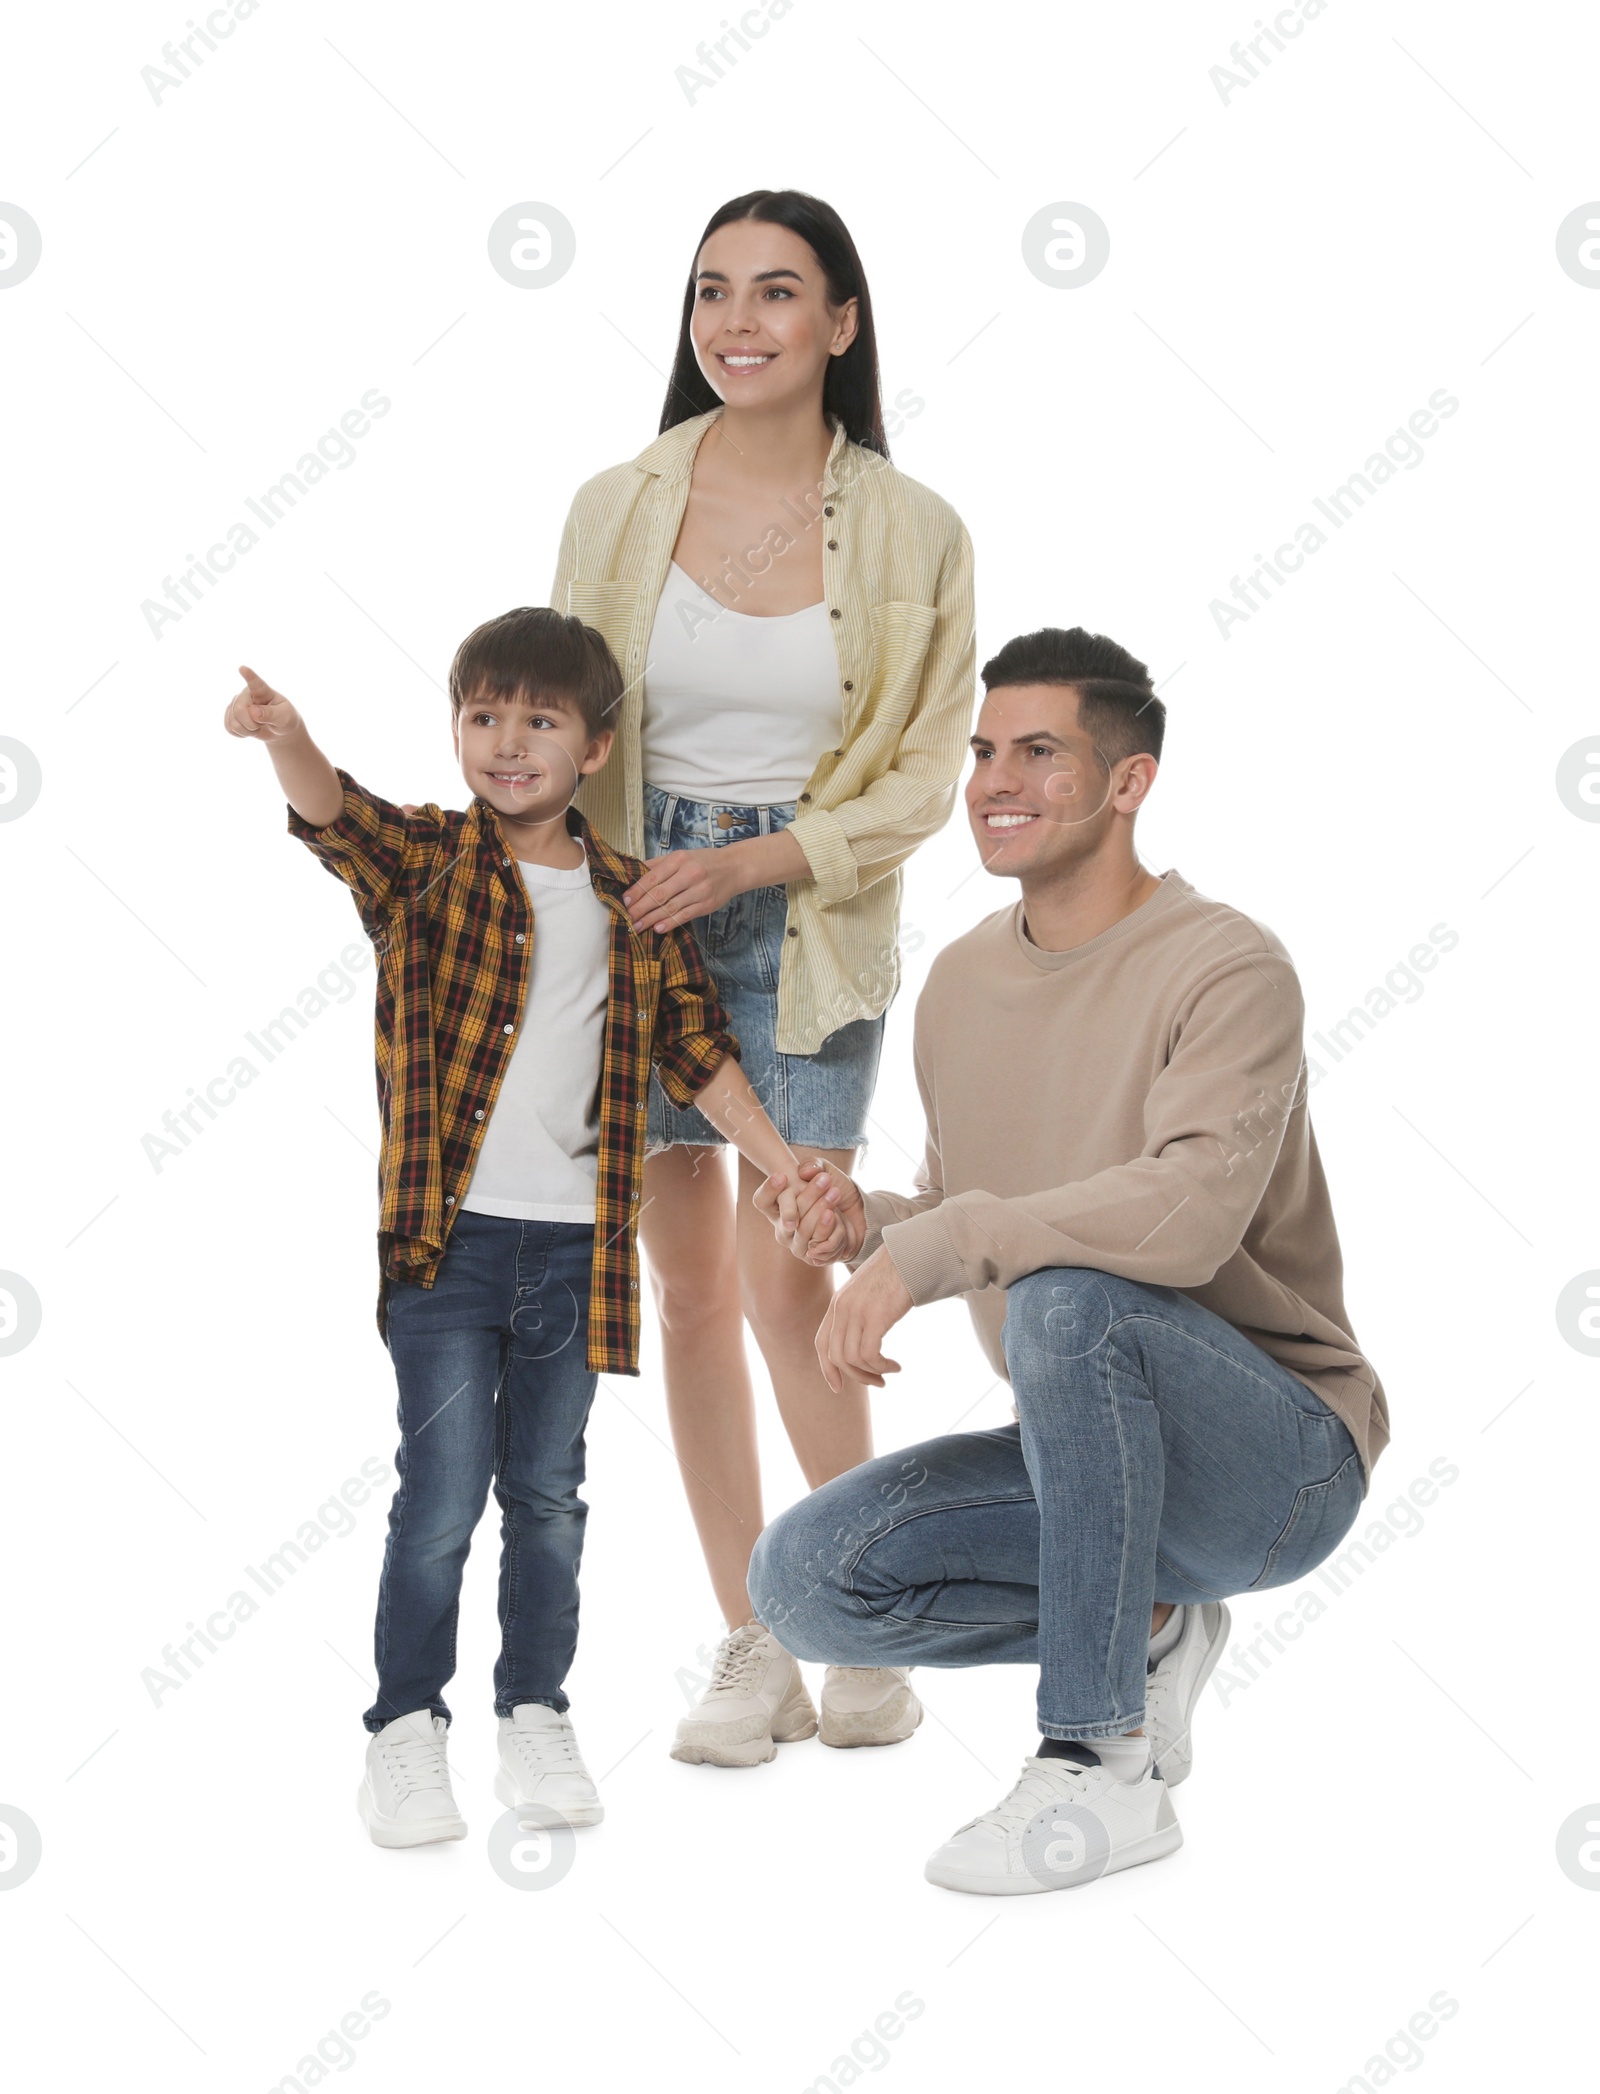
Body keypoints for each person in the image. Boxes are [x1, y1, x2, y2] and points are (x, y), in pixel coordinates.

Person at [749, 625, 1389, 1893]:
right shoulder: (958, 982)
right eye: (985, 751)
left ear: (1127, 782)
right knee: (806, 1581)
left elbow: (1184, 1216)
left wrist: (935, 1244)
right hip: (1092, 1443)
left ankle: (1103, 1763)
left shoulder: (1227, 963)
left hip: (1277, 1458)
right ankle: (1148, 1620)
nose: (995, 781)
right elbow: (967, 1196)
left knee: (1068, 1301)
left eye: (1039, 753)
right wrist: (864, 1221)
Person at [222, 607, 810, 1847]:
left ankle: (534, 1712)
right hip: (448, 1247)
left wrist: (779, 1166)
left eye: (538, 719)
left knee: (549, 1494)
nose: (506, 741)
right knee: (441, 1493)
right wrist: (290, 737)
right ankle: (405, 1728)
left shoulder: (633, 901)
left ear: (593, 748)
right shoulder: (429, 862)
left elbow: (696, 1052)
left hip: (574, 1253)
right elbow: (338, 816)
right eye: (482, 715)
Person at [549, 188, 975, 1767]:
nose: (738, 321)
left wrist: (750, 861)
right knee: (690, 1281)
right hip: (635, 917)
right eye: (713, 291)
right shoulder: (614, 504)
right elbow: (568, 725)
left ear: (841, 324)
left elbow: (923, 773)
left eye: (777, 293)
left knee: (796, 1267)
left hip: (807, 922)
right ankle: (754, 1634)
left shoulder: (917, 528)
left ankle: (854, 1601)